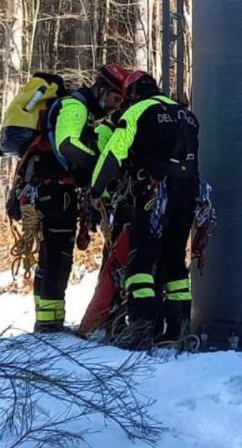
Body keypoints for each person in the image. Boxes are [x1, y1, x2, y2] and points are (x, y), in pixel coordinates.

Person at [90, 71, 200, 348]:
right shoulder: (186, 115)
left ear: (132, 94)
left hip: (154, 194)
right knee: (174, 260)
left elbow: (113, 153)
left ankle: (141, 328)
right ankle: (178, 327)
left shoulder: (138, 112)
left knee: (140, 262)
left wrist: (95, 191)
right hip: (187, 195)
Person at [32, 64, 128, 333]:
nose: (114, 106)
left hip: (53, 191)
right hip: (55, 192)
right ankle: (50, 324)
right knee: (58, 255)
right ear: (101, 89)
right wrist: (99, 167)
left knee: (51, 253)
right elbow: (67, 144)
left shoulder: (82, 111)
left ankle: (46, 319)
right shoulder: (75, 107)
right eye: (115, 98)